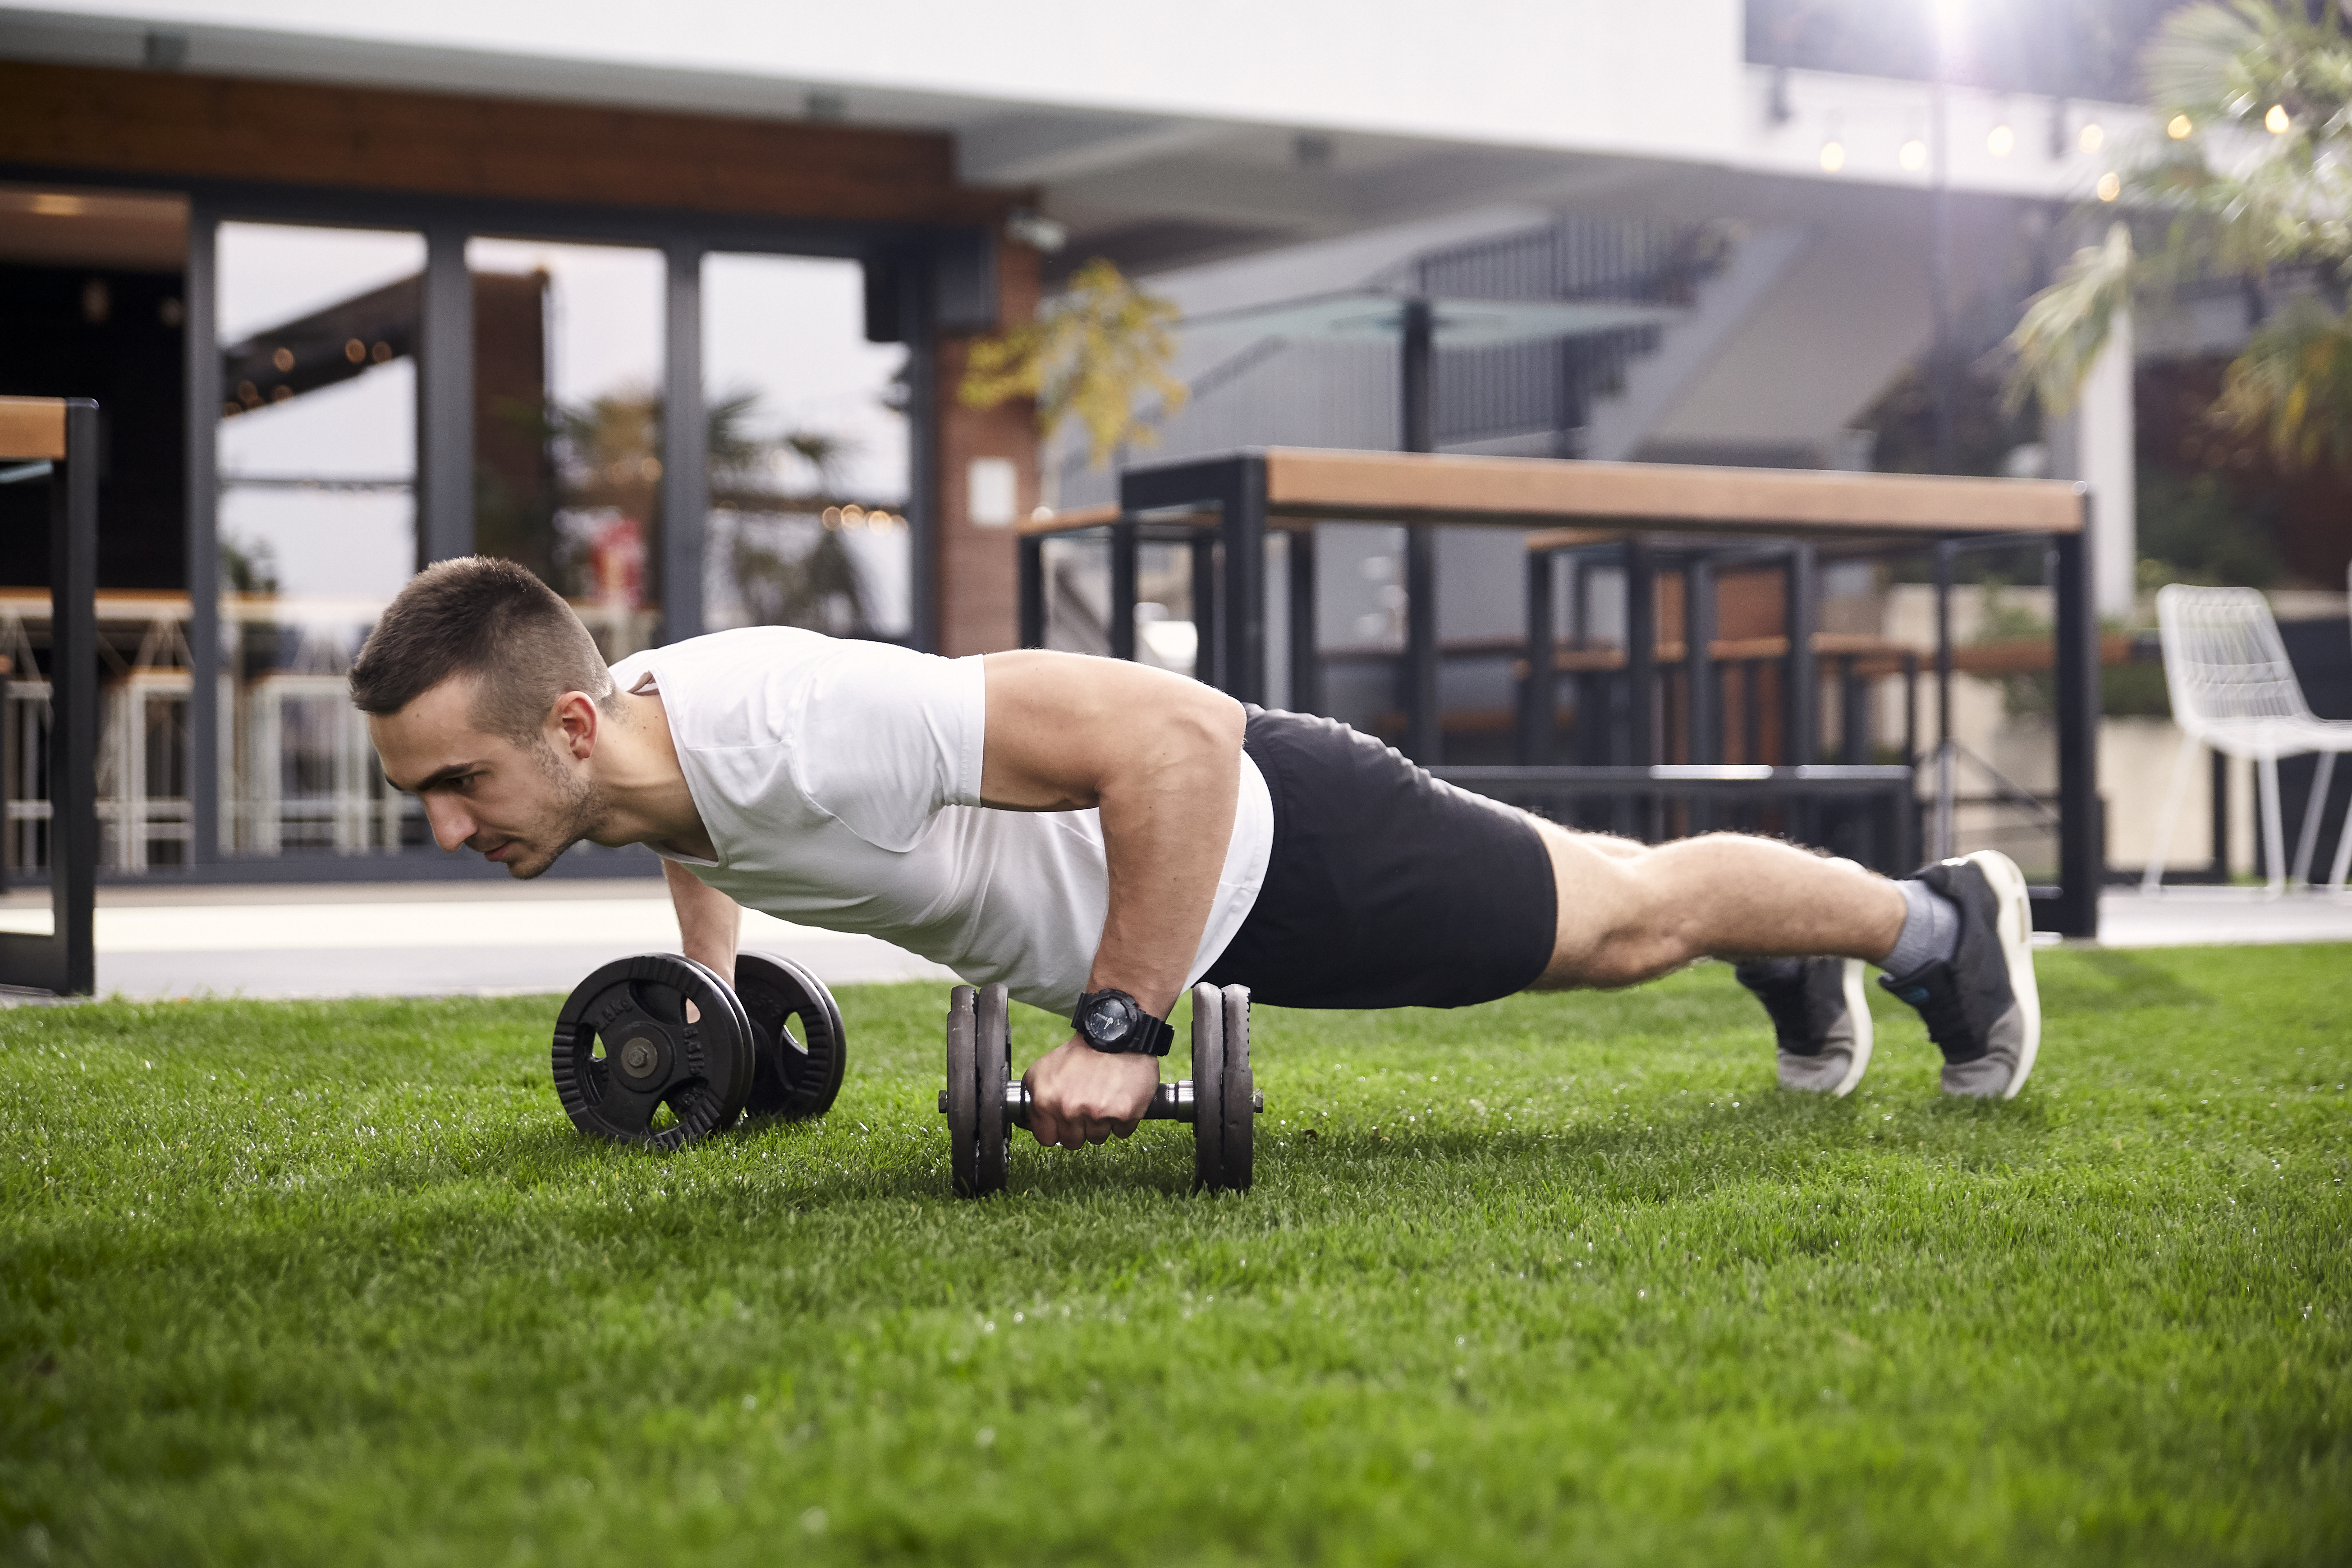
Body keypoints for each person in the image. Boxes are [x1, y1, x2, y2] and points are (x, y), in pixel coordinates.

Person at [353, 558, 2040, 1151]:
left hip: (1268, 853)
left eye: (457, 782)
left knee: (1617, 928)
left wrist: (1118, 1024)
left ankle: (1935, 924)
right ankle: (1788, 942)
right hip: (1253, 851)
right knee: (1608, 891)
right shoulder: (633, 744)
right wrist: (711, 994)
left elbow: (1173, 738)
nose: (445, 826)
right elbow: (680, 817)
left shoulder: (792, 717)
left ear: (569, 727)